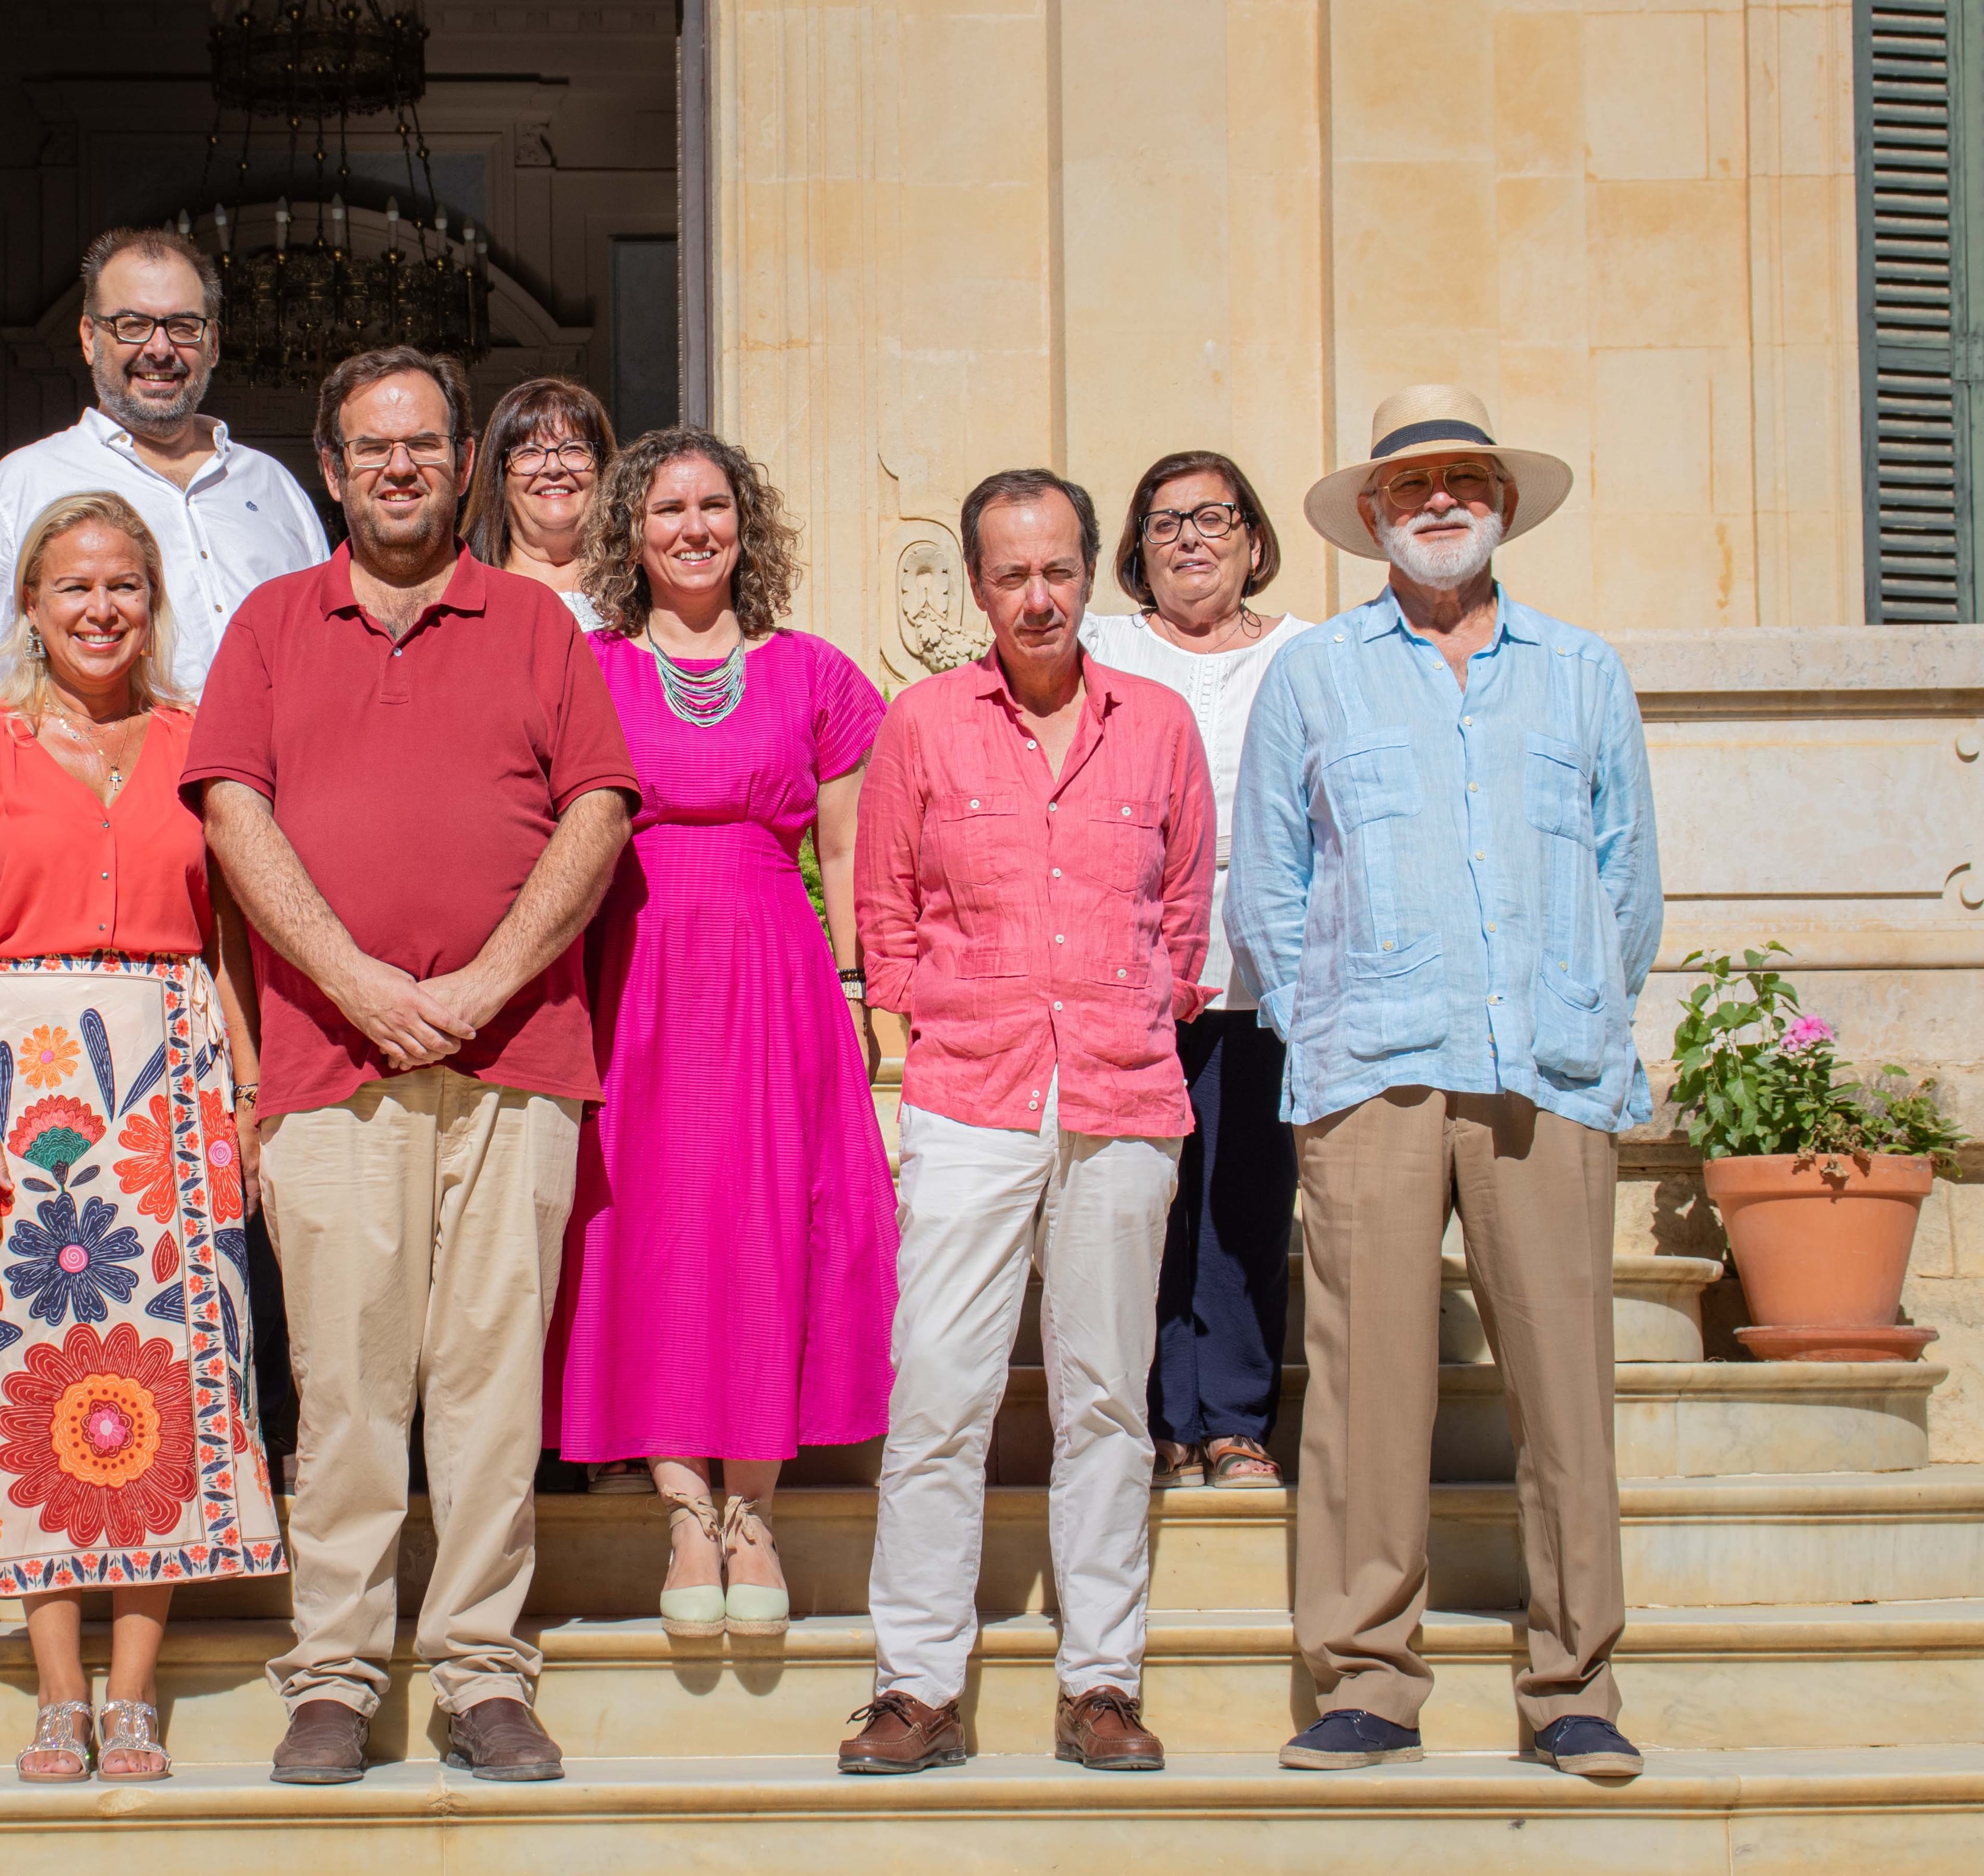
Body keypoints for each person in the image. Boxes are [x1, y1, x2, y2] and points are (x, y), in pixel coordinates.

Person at [183, 345, 637, 1787]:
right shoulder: (267, 623)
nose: (398, 468)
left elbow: (600, 811)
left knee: (492, 1384)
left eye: (425, 446)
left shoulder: (533, 626)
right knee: (350, 1384)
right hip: (329, 1065)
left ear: (460, 466)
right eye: (371, 446)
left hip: (518, 1064)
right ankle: (334, 1673)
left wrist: (489, 980)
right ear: (328, 466)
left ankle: (482, 1673)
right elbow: (235, 818)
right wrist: (364, 984)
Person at [1237, 385, 1659, 1781]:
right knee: (1365, 1395)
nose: (1437, 500)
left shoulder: (1581, 671)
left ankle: (1575, 1685)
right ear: (1370, 514)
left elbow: (1625, 879)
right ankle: (1364, 1679)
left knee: (1563, 1390)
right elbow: (1274, 889)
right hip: (1373, 1073)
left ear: (1503, 503)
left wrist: (1583, 1010)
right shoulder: (1316, 675)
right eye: (1410, 482)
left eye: (1464, 478)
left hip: (1549, 1068)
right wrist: (1329, 1028)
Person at [845, 468, 1215, 1776]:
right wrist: (921, 1026)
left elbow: (1183, 908)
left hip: (1120, 1091)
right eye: (1011, 574)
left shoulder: (1160, 723)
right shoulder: (923, 723)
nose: (1038, 595)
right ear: (977, 586)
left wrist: (1142, 1003)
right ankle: (916, 1685)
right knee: (938, 1388)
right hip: (970, 1091)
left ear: (1091, 569)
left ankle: (1101, 1681)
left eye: (1057, 567)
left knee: (1107, 1398)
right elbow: (881, 912)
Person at [0, 490, 286, 1784]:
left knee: (175, 1381)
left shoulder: (199, 742)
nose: (99, 608)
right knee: (40, 1377)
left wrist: (250, 1090)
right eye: (73, 586)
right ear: (29, 602)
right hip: (30, 1082)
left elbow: (239, 937)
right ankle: (57, 1690)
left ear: (153, 597)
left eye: (123, 584)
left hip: (173, 1078)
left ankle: (135, 1691)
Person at [546, 426, 895, 1638]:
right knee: (650, 1225)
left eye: (713, 507)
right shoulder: (588, 669)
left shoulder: (816, 675)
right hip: (634, 970)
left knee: (760, 1224)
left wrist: (859, 993)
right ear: (629, 534)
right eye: (667, 509)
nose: (693, 528)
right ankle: (681, 1506)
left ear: (744, 526)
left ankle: (754, 1508)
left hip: (775, 976)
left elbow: (847, 850)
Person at [1081, 452, 1307, 1493]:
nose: (1190, 538)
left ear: (1255, 541)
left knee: (1247, 1198)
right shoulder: (1104, 647)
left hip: (1263, 968)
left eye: (1214, 517)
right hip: (1127, 963)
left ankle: (1236, 1419)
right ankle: (1159, 1413)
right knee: (1141, 1198)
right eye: (1164, 522)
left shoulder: (1311, 654)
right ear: (1136, 552)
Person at [0, 227, 331, 722]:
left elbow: (324, 650)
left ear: (213, 342)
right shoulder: (19, 489)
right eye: (132, 324)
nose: (159, 349)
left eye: (183, 325)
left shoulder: (271, 485)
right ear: (90, 338)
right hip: (100, 793)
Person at [463, 377, 617, 628]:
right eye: (529, 452)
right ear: (499, 476)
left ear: (603, 469)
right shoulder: (462, 599)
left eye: (574, 449)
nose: (553, 467)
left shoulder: (644, 597)